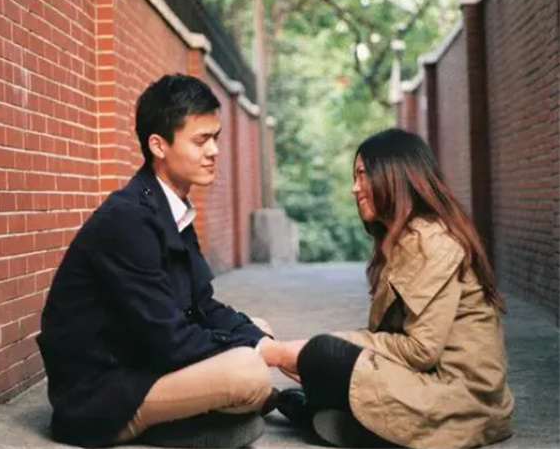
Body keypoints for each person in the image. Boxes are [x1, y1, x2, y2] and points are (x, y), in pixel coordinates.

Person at [36, 74, 280, 448]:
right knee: (248, 372)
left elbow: (202, 307)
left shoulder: (172, 209)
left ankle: (188, 417)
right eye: (201, 140)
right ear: (158, 145)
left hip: (142, 362)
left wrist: (267, 345)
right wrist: (261, 353)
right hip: (97, 396)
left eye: (215, 137)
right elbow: (169, 340)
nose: (214, 150)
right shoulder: (127, 219)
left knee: (257, 330)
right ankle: (158, 423)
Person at [270, 128, 515, 448]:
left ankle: (339, 417)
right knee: (324, 357)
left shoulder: (431, 242)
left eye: (362, 175)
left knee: (322, 353)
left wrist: (315, 349)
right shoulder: (407, 239)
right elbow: (391, 340)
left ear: (394, 175)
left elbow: (419, 350)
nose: (354, 188)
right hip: (431, 382)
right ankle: (337, 415)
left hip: (460, 399)